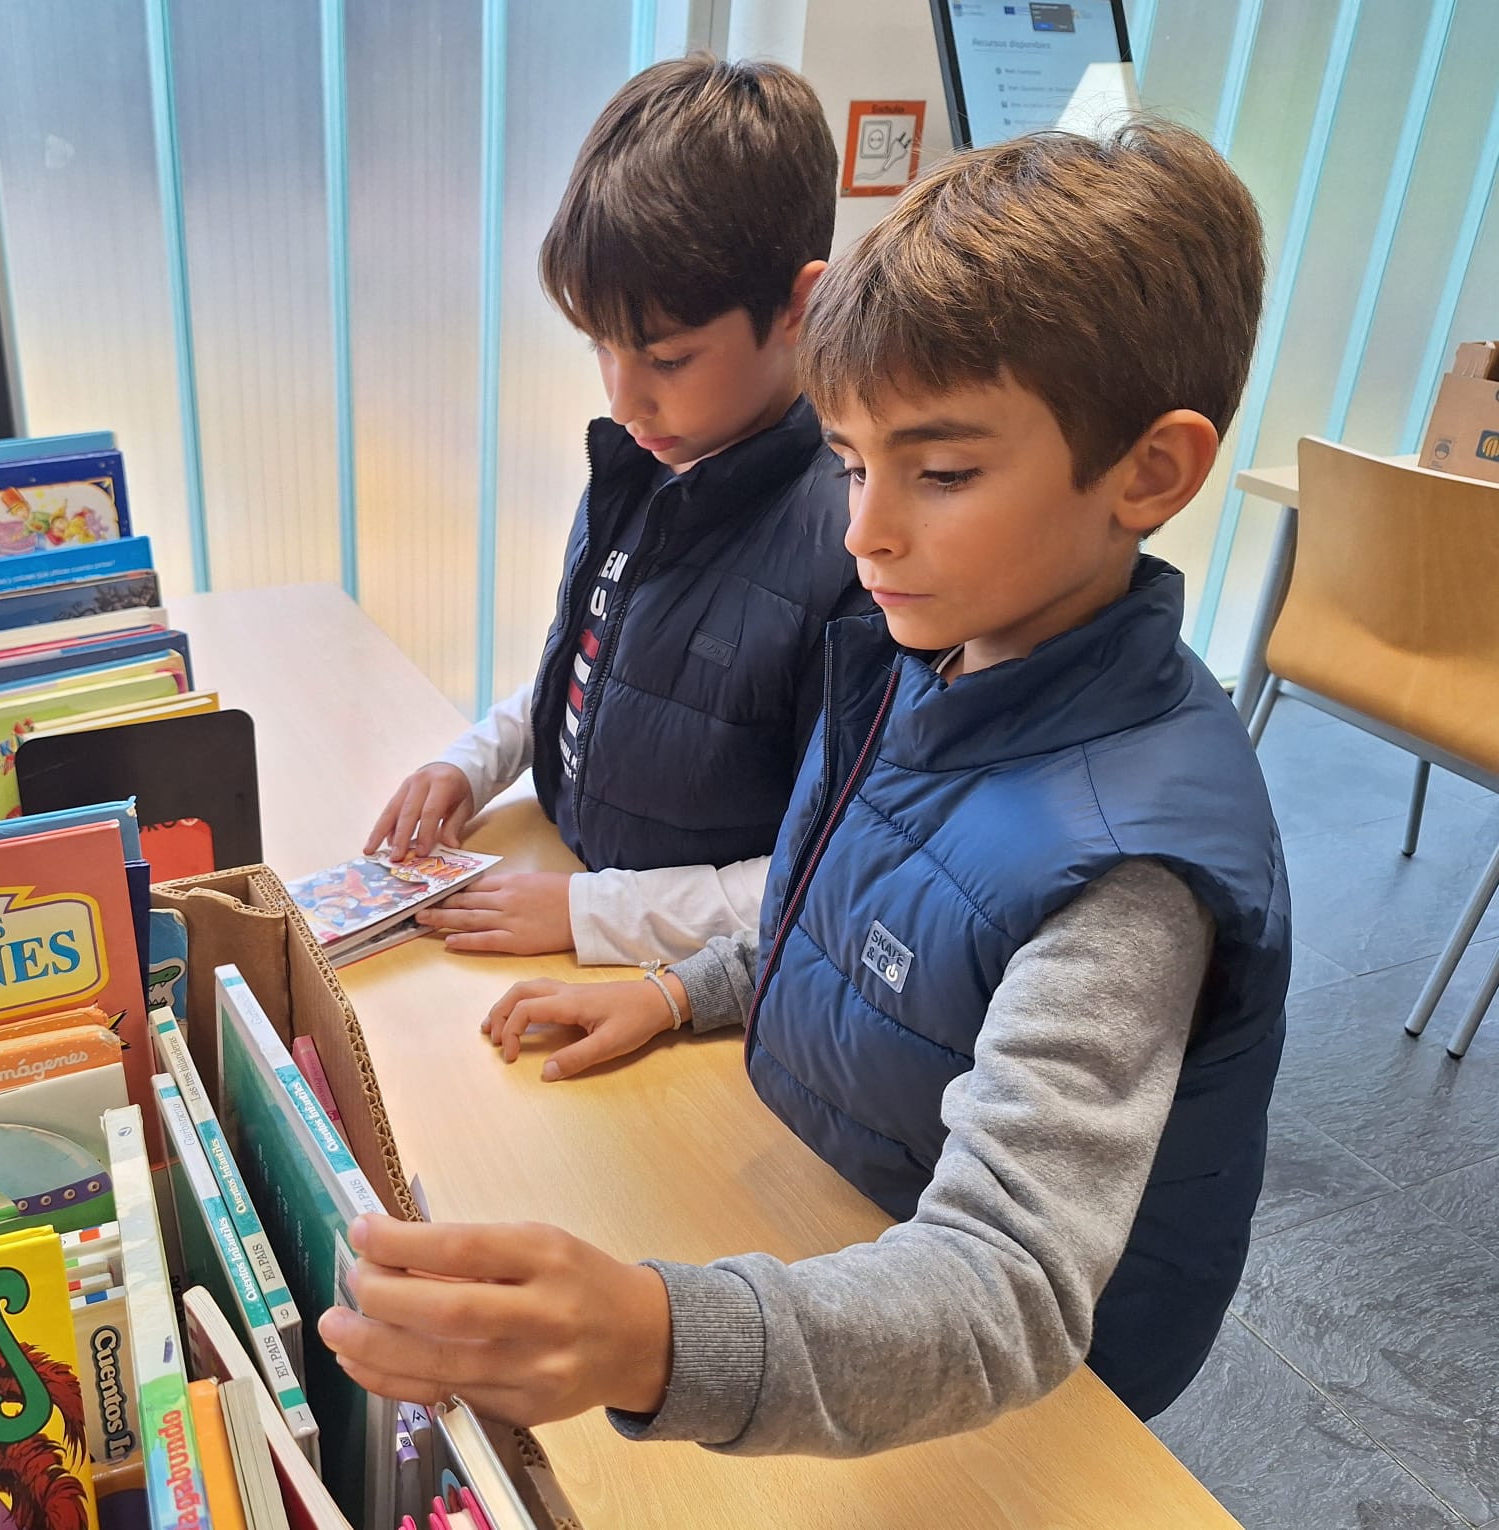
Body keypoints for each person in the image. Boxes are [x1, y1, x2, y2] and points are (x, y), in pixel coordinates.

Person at [321, 120, 1290, 1453]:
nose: (865, 529)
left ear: (1151, 472)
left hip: (1018, 1390)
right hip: (842, 1211)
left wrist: (651, 1337)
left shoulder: (1129, 874)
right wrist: (687, 988)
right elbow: (859, 920)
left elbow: (1006, 1287)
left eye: (941, 473)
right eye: (849, 465)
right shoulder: (929, 647)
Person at [364, 54, 871, 965]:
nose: (624, 400)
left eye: (668, 359)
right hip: (566, 878)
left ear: (801, 305)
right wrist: (474, 762)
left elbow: (831, 868)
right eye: (600, 345)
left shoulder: (861, 543)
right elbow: (591, 665)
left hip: (691, 982)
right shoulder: (644, 459)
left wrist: (592, 916)